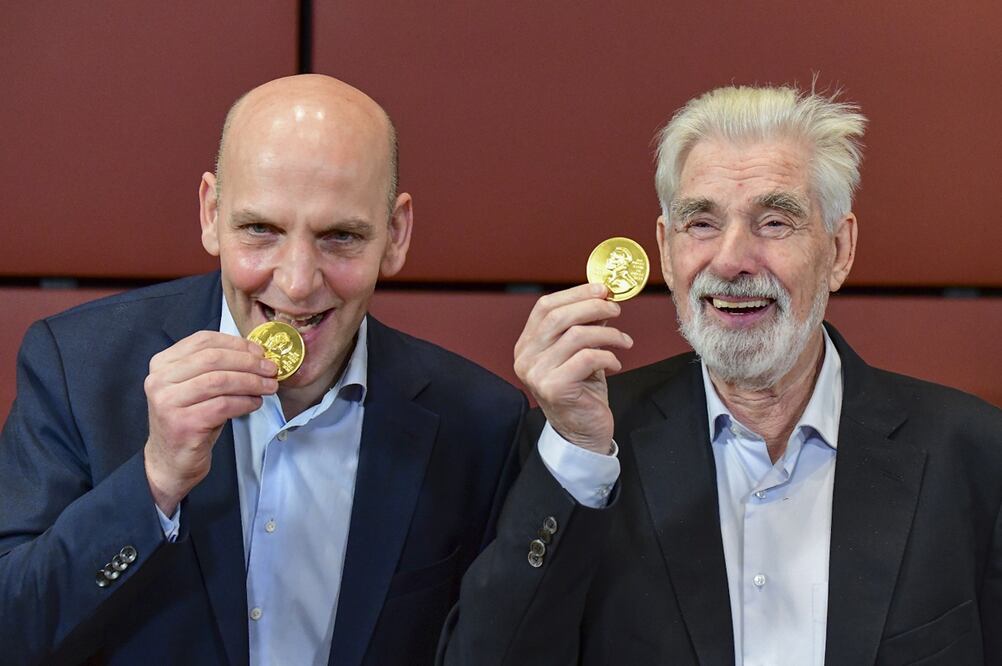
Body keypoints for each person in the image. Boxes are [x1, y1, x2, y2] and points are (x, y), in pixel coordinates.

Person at [439, 84, 1002, 665]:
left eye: (775, 222)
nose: (730, 260)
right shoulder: (582, 451)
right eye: (701, 223)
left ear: (838, 249)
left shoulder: (976, 456)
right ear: (664, 248)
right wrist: (579, 455)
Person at [0, 74, 526, 665]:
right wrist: (154, 480)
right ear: (211, 213)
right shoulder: (77, 366)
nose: (297, 282)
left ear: (396, 235)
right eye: (260, 230)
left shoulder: (480, 422)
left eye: (341, 237)